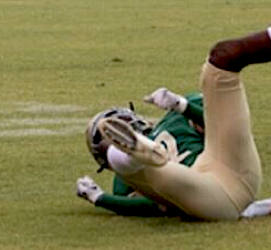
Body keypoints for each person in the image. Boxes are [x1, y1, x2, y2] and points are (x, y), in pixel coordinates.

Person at [80, 28, 269, 220]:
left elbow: (217, 125)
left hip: (224, 168)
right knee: (145, 172)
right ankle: (136, 155)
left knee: (221, 60)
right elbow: (153, 207)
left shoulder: (173, 120)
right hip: (208, 196)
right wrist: (101, 198)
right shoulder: (127, 177)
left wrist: (100, 198)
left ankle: (134, 155)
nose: (120, 130)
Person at [77, 88, 271, 218]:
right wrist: (183, 107)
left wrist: (100, 198)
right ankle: (135, 154)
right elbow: (221, 126)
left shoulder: (124, 181)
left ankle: (128, 156)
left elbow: (154, 207)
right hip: (225, 179)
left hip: (198, 194)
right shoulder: (176, 118)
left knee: (162, 188)